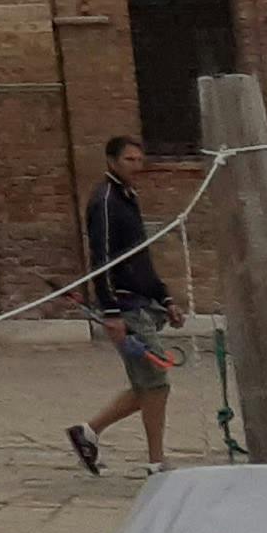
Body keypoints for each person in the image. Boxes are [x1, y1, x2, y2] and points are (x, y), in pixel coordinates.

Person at [66, 135, 178, 477]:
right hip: (125, 307)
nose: (136, 166)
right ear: (112, 161)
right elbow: (102, 260)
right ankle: (156, 461)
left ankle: (87, 432)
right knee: (155, 382)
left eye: (139, 160)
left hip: (142, 302)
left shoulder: (128, 198)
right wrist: (111, 312)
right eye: (129, 160)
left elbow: (139, 256)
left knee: (147, 383)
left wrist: (165, 297)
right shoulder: (105, 202)